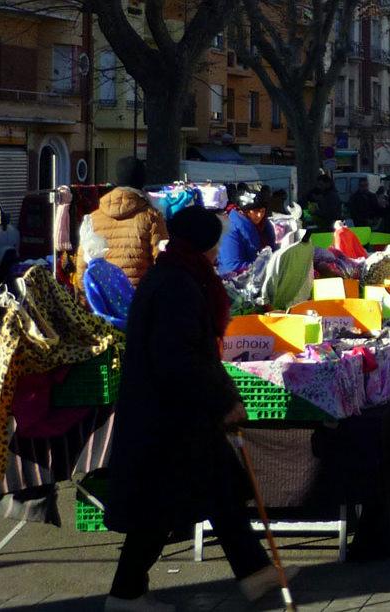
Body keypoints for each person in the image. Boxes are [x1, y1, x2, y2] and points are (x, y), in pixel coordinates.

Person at [104, 207, 297, 612]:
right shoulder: (178, 283)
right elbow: (180, 357)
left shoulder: (175, 274)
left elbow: (194, 354)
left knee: (219, 489)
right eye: (213, 247)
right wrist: (222, 400)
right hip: (169, 416)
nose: (215, 255)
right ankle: (125, 594)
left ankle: (254, 572)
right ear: (204, 246)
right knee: (164, 507)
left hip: (175, 411)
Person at [87, 187, 168, 286]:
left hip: (103, 292)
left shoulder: (92, 219)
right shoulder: (152, 216)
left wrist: (85, 294)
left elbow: (83, 260)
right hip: (138, 291)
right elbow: (162, 257)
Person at [217, 190, 274, 276]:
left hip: (256, 276)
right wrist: (265, 266)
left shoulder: (264, 225)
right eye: (255, 211)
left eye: (262, 211)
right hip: (234, 282)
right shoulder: (230, 229)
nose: (259, 215)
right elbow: (231, 267)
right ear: (244, 211)